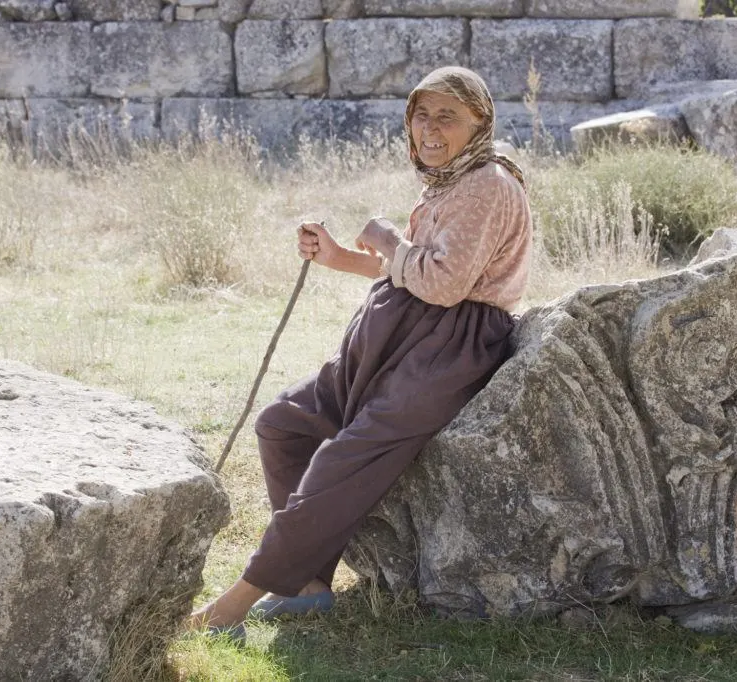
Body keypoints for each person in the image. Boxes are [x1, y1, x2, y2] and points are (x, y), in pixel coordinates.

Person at [187, 65, 532, 638]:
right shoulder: (454, 179)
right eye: (421, 113)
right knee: (283, 423)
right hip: (398, 336)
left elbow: (445, 284)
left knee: (340, 459)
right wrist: (340, 255)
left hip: (445, 352)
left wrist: (390, 237)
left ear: (480, 121)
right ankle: (307, 586)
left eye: (447, 115)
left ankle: (235, 603)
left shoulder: (489, 183)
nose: (429, 128)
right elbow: (415, 269)